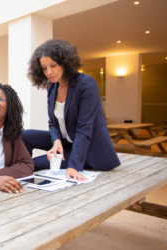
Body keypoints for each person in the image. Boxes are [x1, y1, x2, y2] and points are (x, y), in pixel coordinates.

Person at [22, 39, 120, 181]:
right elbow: (53, 123)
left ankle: (20, 172)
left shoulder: (86, 84)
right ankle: (19, 167)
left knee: (35, 164)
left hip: (88, 150)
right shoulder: (52, 87)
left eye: (53, 65)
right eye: (44, 68)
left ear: (64, 62)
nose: (48, 72)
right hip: (66, 143)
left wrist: (73, 166)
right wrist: (56, 141)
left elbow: (84, 129)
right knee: (25, 135)